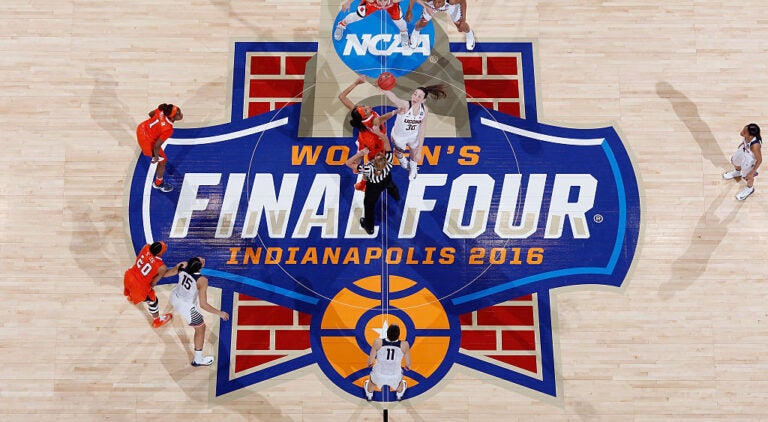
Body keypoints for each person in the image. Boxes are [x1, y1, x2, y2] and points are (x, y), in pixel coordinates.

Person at [339, 75, 401, 191]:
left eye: (364, 107)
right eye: (366, 109)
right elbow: (383, 118)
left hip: (363, 139)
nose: (367, 106)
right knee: (370, 167)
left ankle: (360, 177)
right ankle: (363, 184)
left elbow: (342, 97)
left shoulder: (358, 114)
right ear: (366, 115)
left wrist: (356, 83)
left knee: (360, 160)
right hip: (374, 144)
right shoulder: (373, 121)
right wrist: (396, 111)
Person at [169, 257, 230, 367]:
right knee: (201, 329)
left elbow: (166, 274)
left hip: (175, 296)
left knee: (199, 325)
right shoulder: (202, 280)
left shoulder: (182, 265)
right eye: (201, 260)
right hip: (186, 307)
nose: (203, 258)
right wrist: (219, 313)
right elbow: (203, 304)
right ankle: (198, 360)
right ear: (200, 266)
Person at [381, 84, 447, 179]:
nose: (415, 97)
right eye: (415, 94)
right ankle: (403, 162)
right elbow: (394, 99)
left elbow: (422, 128)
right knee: (397, 153)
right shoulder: (405, 106)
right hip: (399, 137)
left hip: (413, 135)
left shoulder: (424, 110)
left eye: (419, 96)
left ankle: (413, 168)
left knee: (415, 154)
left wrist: (420, 149)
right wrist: (383, 89)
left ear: (423, 100)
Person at [346, 128, 400, 235]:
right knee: (390, 185)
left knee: (369, 205)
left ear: (374, 162)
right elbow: (386, 140)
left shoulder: (368, 168)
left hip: (373, 187)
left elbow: (348, 163)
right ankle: (396, 196)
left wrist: (360, 153)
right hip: (386, 179)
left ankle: (369, 228)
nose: (378, 153)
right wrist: (378, 132)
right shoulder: (389, 162)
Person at [123, 241, 181, 328]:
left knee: (131, 289)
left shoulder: (146, 247)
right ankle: (157, 321)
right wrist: (177, 269)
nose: (166, 246)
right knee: (153, 301)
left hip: (129, 276)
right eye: (164, 248)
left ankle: (131, 296)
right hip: (139, 287)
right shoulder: (161, 267)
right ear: (158, 253)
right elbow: (153, 282)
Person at [136, 103, 183, 192]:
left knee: (161, 158)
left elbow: (150, 114)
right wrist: (155, 157)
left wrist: (155, 128)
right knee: (163, 162)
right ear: (172, 118)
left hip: (141, 128)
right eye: (179, 114)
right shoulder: (168, 128)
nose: (181, 114)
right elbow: (157, 146)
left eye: (180, 111)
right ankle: (158, 184)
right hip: (146, 141)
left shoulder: (162, 111)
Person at [363, 324, 411, 401]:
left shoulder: (377, 342)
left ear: (387, 332)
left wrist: (370, 364)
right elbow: (408, 365)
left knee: (372, 381)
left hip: (379, 374)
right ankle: (399, 394)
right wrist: (406, 367)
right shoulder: (404, 345)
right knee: (400, 383)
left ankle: (369, 394)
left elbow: (370, 362)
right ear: (399, 334)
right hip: (394, 375)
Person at [334, 0, 409, 48]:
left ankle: (404, 32)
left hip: (391, 6)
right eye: (380, 0)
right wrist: (348, 2)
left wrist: (410, 9)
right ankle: (341, 24)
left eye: (385, 0)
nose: (382, 3)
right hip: (371, 4)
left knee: (398, 20)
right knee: (358, 15)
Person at [405, 0, 475, 51]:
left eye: (439, 2)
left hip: (450, 6)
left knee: (460, 26)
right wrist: (409, 10)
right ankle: (416, 32)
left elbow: (462, 2)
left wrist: (463, 20)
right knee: (422, 23)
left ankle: (469, 33)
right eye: (435, 1)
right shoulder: (432, 2)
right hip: (430, 5)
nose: (436, 5)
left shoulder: (452, 1)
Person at [723, 123, 762, 200]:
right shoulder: (748, 136)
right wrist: (742, 144)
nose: (741, 132)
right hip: (744, 149)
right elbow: (745, 140)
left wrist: (752, 173)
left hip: (750, 160)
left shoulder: (755, 146)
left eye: (744, 132)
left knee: (748, 176)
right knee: (734, 161)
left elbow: (759, 160)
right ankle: (737, 172)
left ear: (750, 136)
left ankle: (749, 189)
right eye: (743, 129)